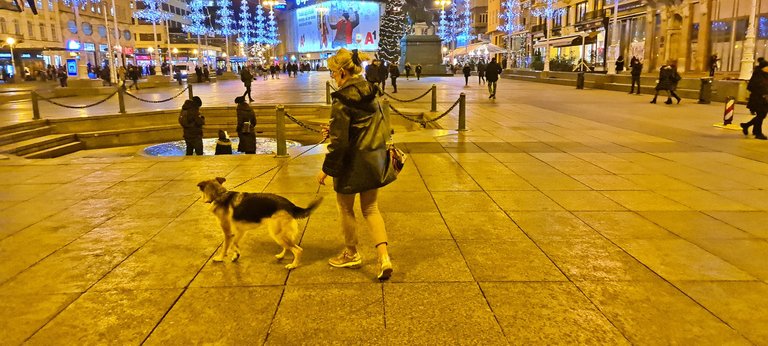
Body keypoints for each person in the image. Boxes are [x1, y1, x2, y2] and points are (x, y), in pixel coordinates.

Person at [316, 48, 395, 281]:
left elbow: (339, 144)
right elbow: (369, 124)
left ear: (342, 72)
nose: (331, 76)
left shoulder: (341, 99)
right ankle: (384, 258)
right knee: (371, 208)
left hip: (351, 163)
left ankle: (351, 253)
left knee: (346, 208)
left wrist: (326, 169)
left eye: (332, 72)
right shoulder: (374, 90)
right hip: (373, 158)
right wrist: (337, 128)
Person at [742, 59, 768, 140]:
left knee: (761, 115)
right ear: (763, 68)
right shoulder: (757, 75)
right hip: (758, 99)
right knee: (761, 115)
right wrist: (762, 92)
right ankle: (757, 133)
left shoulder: (765, 75)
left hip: (764, 99)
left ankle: (750, 128)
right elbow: (751, 87)